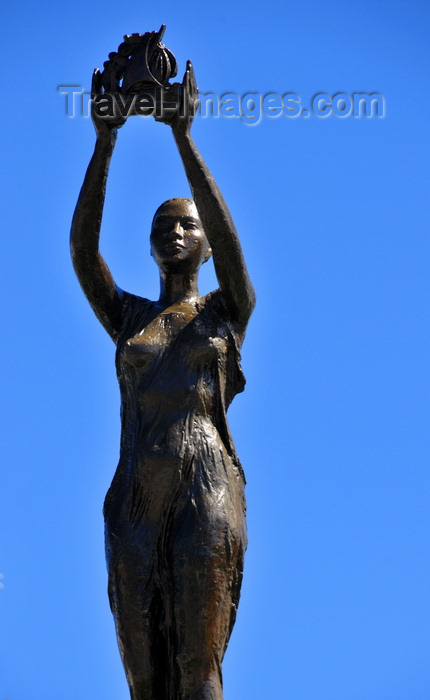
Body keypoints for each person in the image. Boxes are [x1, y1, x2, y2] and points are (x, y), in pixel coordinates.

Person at [70, 63, 255, 700]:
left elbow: (231, 245)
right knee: (144, 678)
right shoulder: (129, 318)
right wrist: (104, 140)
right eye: (161, 227)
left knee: (198, 671)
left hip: (206, 482)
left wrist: (183, 135)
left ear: (205, 244)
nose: (173, 232)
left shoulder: (228, 310)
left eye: (187, 225)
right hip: (134, 493)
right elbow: (81, 251)